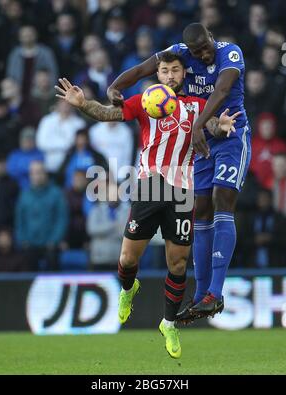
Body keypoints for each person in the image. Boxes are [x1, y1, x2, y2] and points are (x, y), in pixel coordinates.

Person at [55, 51, 238, 358]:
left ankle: (168, 323)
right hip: (149, 187)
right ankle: (129, 290)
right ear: (158, 74)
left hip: (182, 191)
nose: (169, 75)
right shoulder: (145, 100)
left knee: (178, 263)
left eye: (175, 70)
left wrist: (221, 127)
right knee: (128, 260)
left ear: (184, 75)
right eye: (164, 70)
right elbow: (108, 114)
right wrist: (84, 104)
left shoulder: (197, 107)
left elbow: (214, 129)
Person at [106, 22, 252, 324]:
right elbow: (145, 68)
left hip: (229, 133)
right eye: (197, 52)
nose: (203, 55)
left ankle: (215, 291)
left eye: (205, 48)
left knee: (223, 200)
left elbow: (224, 89)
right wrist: (116, 85)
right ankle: (201, 297)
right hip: (198, 140)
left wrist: (199, 125)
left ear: (212, 38)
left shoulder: (230, 53)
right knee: (200, 210)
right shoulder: (180, 53)